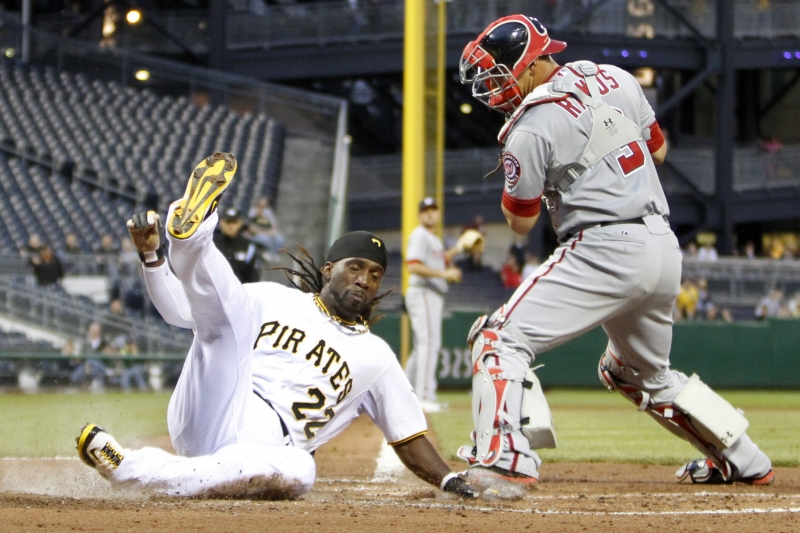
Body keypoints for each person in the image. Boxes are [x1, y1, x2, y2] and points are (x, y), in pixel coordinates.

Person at [455, 15, 773, 487]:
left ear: (532, 61)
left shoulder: (529, 127)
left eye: (499, 75)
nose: (494, 90)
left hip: (603, 246)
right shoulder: (614, 77)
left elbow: (520, 225)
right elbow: (658, 152)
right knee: (638, 373)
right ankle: (745, 459)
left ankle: (504, 458)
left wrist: (543, 179)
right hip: (662, 247)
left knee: (498, 339)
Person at [77, 153, 496, 500]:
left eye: (374, 274)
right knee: (225, 321)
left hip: (267, 448)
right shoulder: (273, 298)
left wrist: (448, 480)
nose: (365, 280)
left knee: (302, 469)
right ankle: (192, 238)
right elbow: (179, 313)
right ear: (329, 269)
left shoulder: (377, 357)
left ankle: (133, 468)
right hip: (219, 399)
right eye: (355, 267)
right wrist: (153, 260)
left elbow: (407, 434)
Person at [404, 197, 462, 413]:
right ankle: (424, 396)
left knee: (423, 346)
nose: (430, 213)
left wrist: (460, 248)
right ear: (420, 215)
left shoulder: (433, 239)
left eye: (433, 209)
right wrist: (443, 273)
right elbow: (413, 266)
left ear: (438, 213)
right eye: (426, 210)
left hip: (430, 293)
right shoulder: (420, 235)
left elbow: (440, 259)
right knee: (429, 344)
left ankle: (403, 390)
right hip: (424, 292)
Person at [214, 207, 260, 283]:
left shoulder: (248, 247)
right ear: (221, 222)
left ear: (240, 223)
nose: (231, 226)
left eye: (234, 222)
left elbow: (253, 276)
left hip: (240, 291)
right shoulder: (212, 244)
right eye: (228, 222)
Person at [247, 196, 286, 261]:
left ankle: (275, 254)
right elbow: (251, 229)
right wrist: (265, 233)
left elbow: (274, 226)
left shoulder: (268, 212)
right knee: (265, 239)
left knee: (280, 239)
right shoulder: (252, 212)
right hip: (255, 234)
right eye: (261, 205)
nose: (262, 207)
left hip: (268, 232)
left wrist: (273, 232)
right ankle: (270, 253)